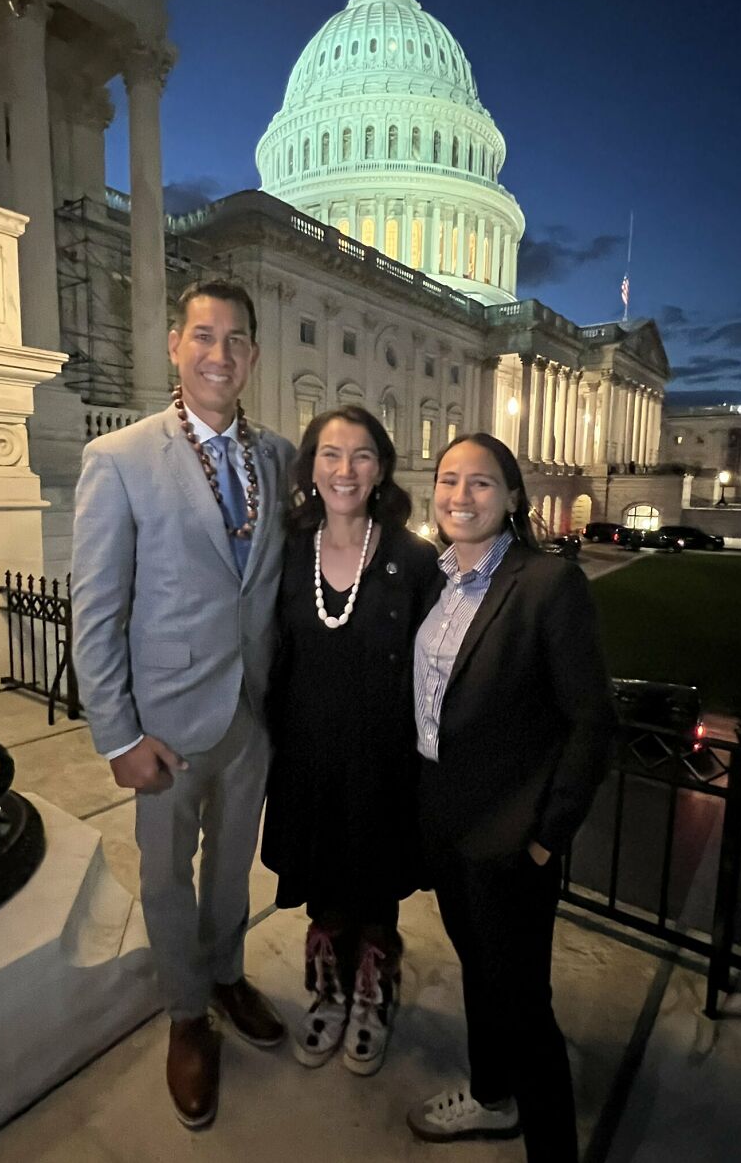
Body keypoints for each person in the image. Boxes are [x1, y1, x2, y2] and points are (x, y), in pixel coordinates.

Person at [70, 279, 295, 1131]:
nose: (219, 354)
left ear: (253, 357)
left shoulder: (276, 457)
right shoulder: (120, 458)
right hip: (161, 724)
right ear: (175, 345)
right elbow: (96, 610)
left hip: (251, 714)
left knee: (233, 867)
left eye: (236, 340)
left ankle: (228, 972)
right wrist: (117, 735)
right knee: (166, 878)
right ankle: (185, 1013)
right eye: (204, 336)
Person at [406, 433, 616, 1162]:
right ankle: (492, 1096)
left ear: (514, 497)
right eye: (448, 480)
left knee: (525, 1003)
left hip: (511, 839)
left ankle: (552, 1149)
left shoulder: (546, 583)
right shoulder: (434, 579)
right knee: (477, 969)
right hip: (448, 828)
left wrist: (545, 837)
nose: (459, 496)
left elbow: (593, 722)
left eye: (481, 483)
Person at [262, 406, 440, 1076]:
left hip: (384, 762)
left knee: (375, 887)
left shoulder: (413, 558)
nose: (345, 469)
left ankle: (373, 993)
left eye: (362, 454)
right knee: (322, 884)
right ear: (311, 466)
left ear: (382, 467)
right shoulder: (285, 551)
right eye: (331, 454)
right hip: (306, 757)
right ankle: (329, 990)